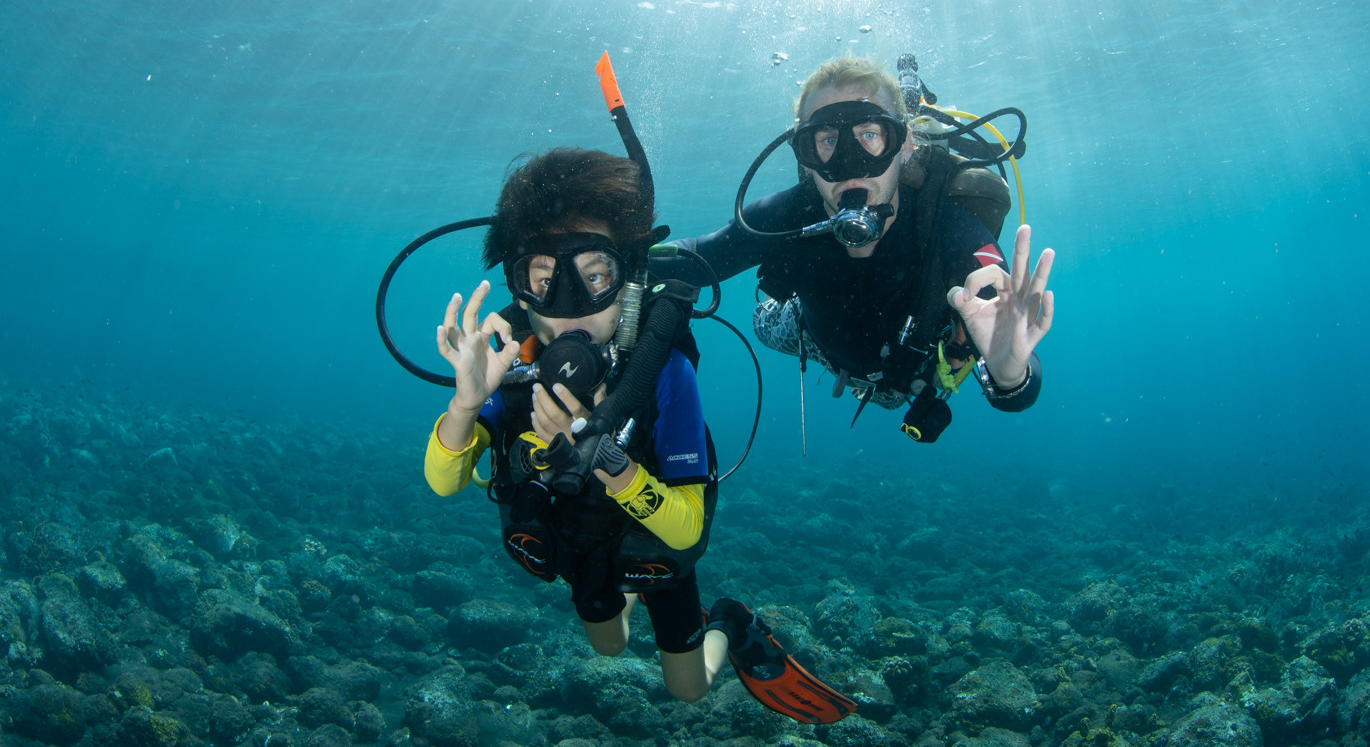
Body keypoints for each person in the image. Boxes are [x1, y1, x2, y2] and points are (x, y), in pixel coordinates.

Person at [422, 147, 856, 723]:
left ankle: (729, 621)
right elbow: (443, 482)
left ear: (627, 278)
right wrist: (465, 404)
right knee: (609, 648)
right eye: (544, 279)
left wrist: (605, 459)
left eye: (594, 275)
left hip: (656, 549)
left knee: (689, 689)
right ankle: (628, 595)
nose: (568, 308)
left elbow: (686, 527)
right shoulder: (512, 370)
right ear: (517, 285)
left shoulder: (663, 372)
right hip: (580, 547)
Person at [667, 55, 1054, 442]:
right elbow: (697, 257)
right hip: (816, 340)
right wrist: (616, 258)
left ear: (904, 146)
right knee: (762, 322)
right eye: (828, 140)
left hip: (913, 370)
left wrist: (1009, 377)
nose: (850, 165)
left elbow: (1018, 390)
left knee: (897, 391)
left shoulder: (949, 227)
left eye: (870, 134)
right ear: (806, 157)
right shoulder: (786, 215)